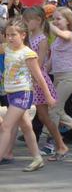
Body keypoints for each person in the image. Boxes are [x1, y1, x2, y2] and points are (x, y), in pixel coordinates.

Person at [0, 18, 56, 172]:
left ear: (23, 35)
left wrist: (48, 96)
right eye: (7, 35)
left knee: (6, 126)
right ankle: (37, 158)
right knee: (26, 127)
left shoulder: (28, 53)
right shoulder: (7, 48)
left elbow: (39, 77)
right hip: (11, 93)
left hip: (23, 93)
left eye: (13, 35)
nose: (10, 38)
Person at [22, 7, 69, 160]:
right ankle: (60, 144)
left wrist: (33, 80)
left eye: (28, 20)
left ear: (38, 21)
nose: (25, 23)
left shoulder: (42, 39)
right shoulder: (29, 37)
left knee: (45, 116)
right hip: (31, 78)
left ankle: (61, 144)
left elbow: (40, 63)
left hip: (38, 80)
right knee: (43, 116)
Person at [45, 7, 72, 152]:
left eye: (58, 19)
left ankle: (52, 142)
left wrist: (47, 23)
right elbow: (51, 60)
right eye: (54, 19)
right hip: (57, 77)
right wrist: (42, 72)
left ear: (68, 21)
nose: (55, 22)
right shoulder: (57, 39)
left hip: (69, 77)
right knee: (58, 110)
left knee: (53, 110)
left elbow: (61, 34)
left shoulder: (70, 34)